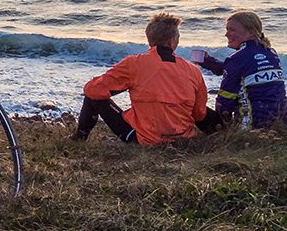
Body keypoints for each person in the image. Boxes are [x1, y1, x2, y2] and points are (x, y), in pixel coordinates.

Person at [74, 12, 210, 145]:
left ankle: (79, 138)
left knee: (92, 95)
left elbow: (92, 89)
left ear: (149, 39)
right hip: (183, 138)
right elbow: (199, 114)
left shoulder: (135, 63)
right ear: (173, 40)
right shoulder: (193, 70)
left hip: (145, 140)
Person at [195, 10, 287, 130]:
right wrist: (208, 62)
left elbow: (224, 102)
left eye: (232, 30)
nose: (226, 34)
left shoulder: (237, 58)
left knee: (195, 107)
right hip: (283, 121)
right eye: (227, 30)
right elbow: (238, 69)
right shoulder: (270, 52)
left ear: (251, 32)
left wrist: (221, 128)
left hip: (254, 124)